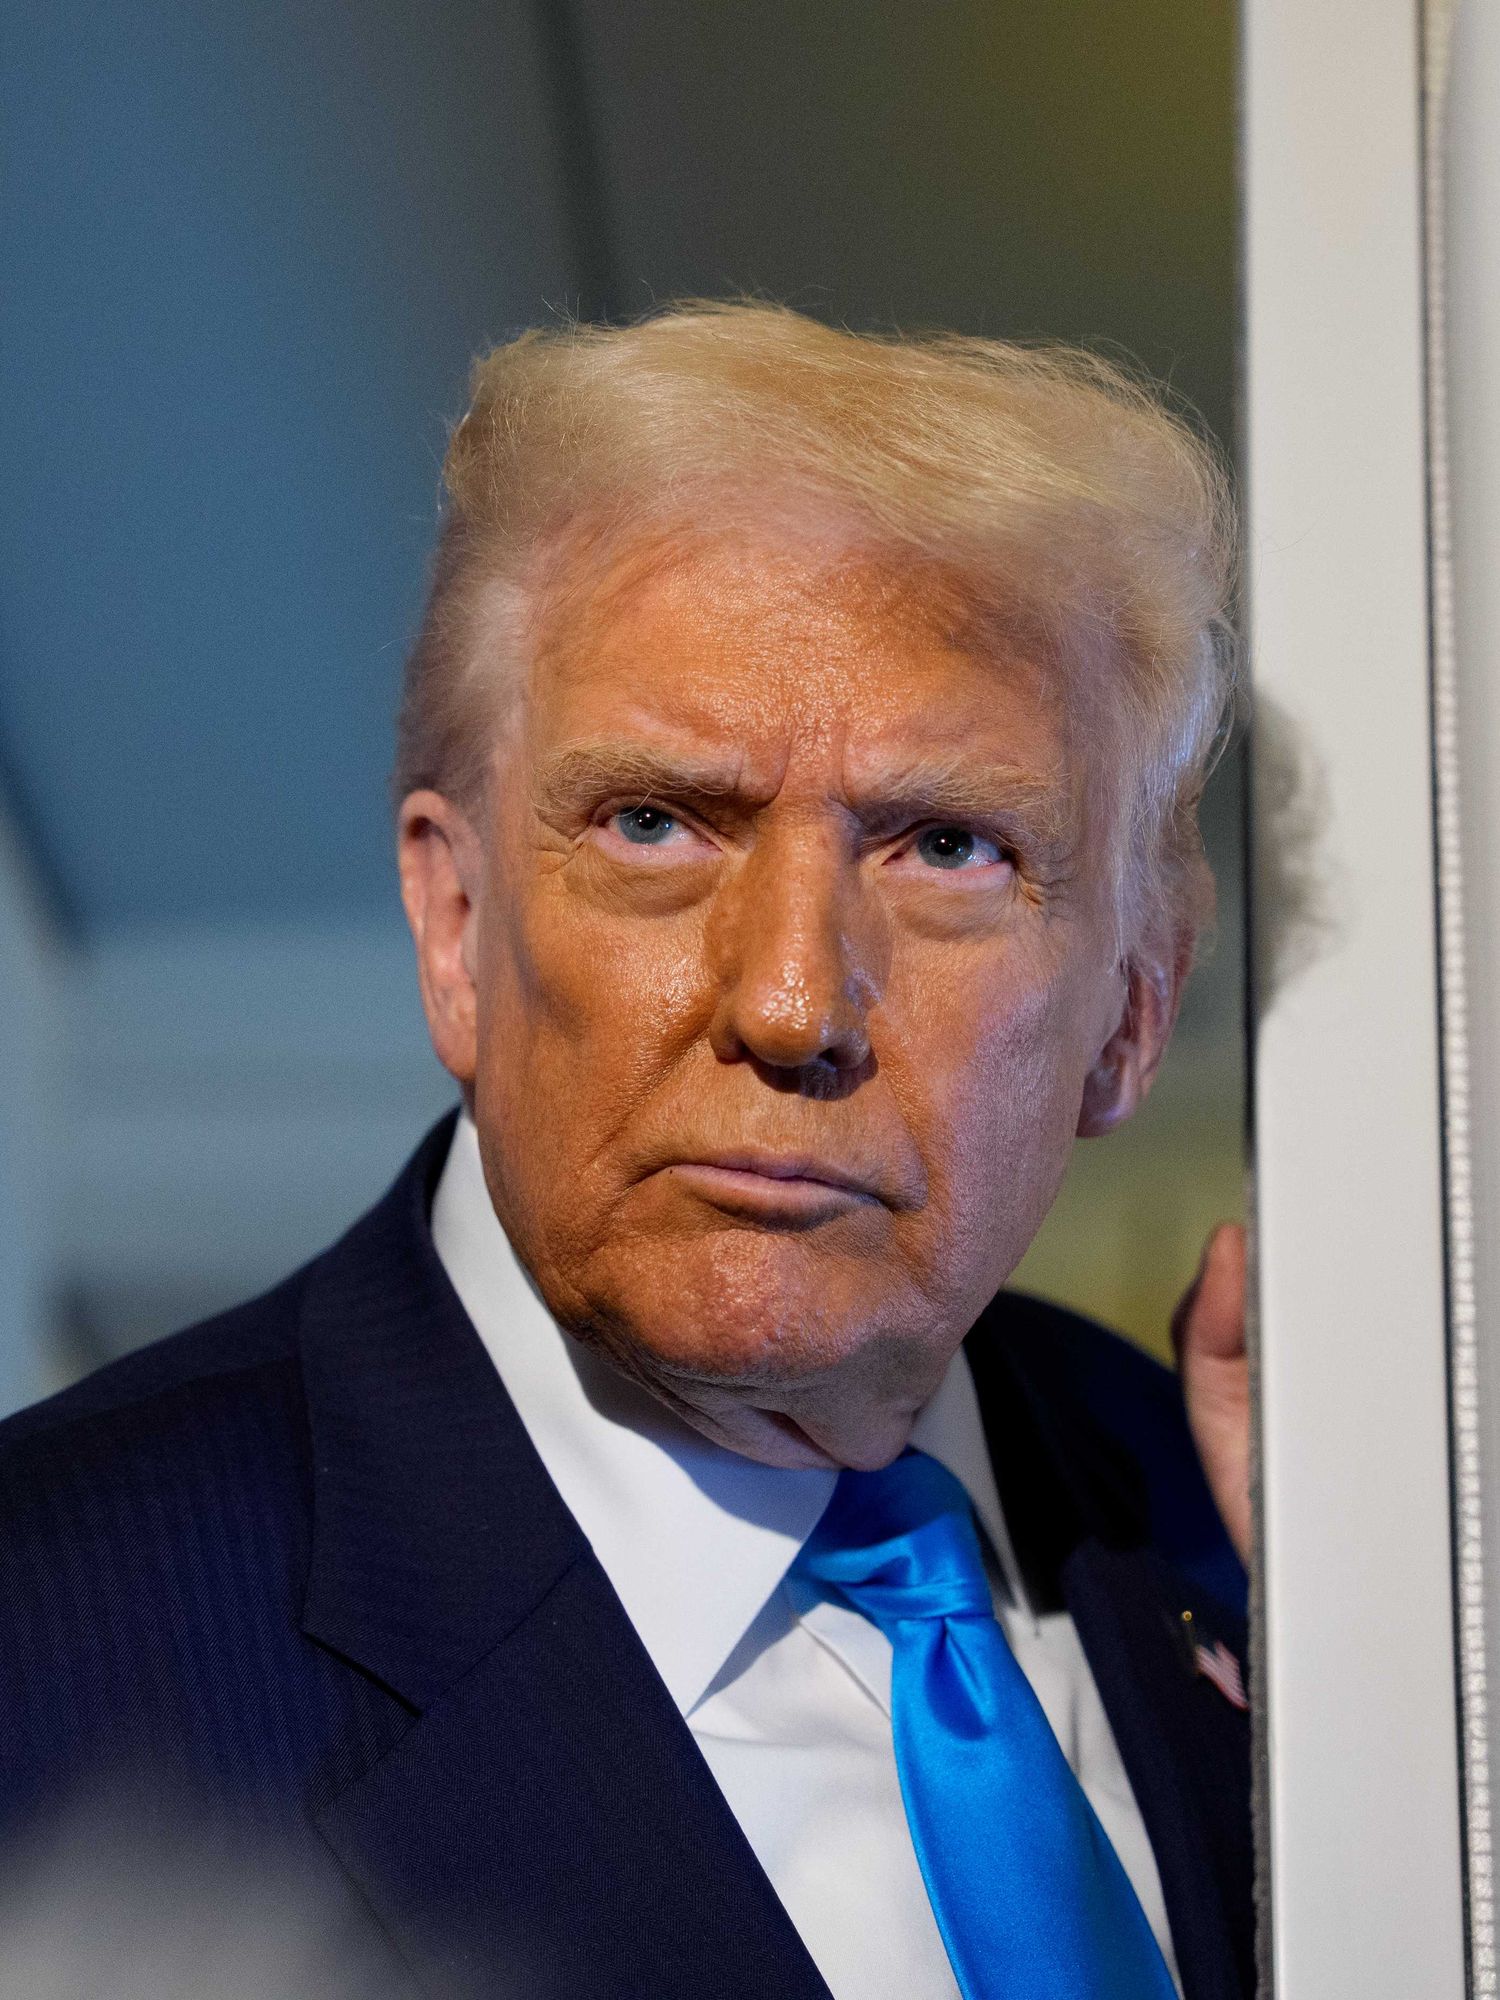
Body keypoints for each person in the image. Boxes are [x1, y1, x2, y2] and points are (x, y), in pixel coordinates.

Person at [0, 303, 1252, 2000]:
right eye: (656, 823)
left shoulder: (1255, 1538)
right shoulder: (44, 1643)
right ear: (457, 923)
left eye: (950, 849)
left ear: (1133, 1009)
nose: (790, 1001)